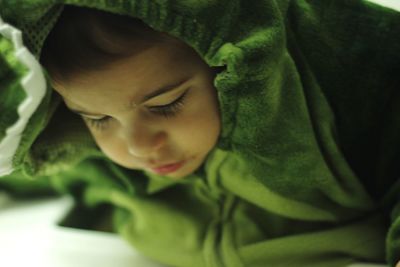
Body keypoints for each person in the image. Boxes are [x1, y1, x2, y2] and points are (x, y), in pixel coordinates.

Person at [0, 1, 399, 267]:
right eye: (97, 119)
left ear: (230, 68)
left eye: (165, 105)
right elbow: (55, 175)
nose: (138, 147)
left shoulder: (329, 104)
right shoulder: (97, 160)